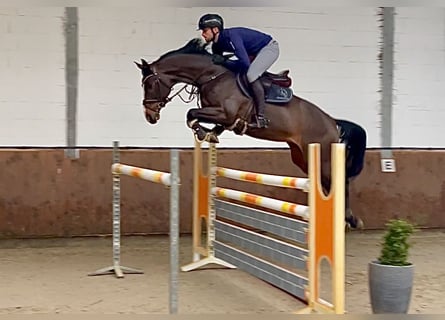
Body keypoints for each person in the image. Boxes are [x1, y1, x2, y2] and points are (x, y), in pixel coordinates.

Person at [197, 13, 280, 128]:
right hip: (254, 52)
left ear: (215, 29)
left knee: (251, 75)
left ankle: (260, 118)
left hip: (269, 48)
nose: (203, 34)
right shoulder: (216, 46)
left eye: (205, 30)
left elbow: (245, 64)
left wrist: (225, 62)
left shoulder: (232, 37)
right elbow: (219, 70)